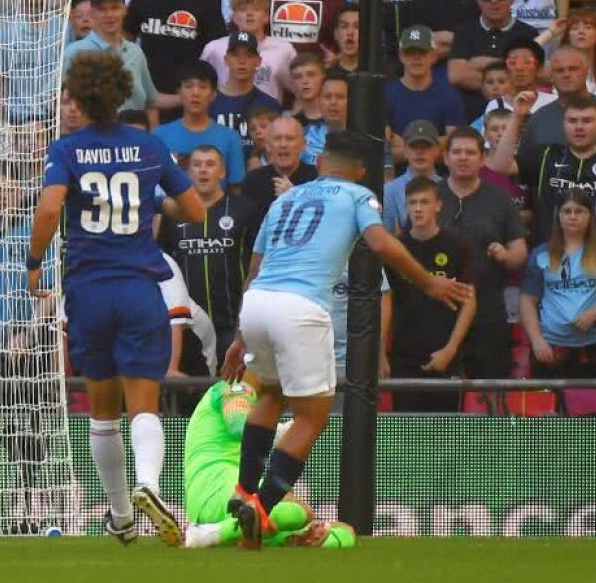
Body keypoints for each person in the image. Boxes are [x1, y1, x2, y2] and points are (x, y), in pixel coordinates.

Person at [224, 129, 472, 548]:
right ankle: (262, 505)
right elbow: (381, 243)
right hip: (300, 308)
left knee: (270, 393)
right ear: (360, 171)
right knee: (311, 417)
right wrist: (429, 283)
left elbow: (254, 268)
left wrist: (238, 338)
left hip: (258, 304)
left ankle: (244, 490)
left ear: (319, 164)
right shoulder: (358, 195)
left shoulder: (284, 198)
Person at [26, 51, 204, 546]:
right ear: (121, 93)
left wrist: (35, 259)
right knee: (143, 401)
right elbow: (192, 210)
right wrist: (154, 199)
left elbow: (48, 209)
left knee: (102, 411)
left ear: (79, 99)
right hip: (137, 285)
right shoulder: (149, 146)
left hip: (88, 290)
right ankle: (150, 482)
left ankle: (123, 515)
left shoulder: (67, 149)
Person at [182, 378, 356, 549]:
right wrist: (295, 430)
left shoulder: (255, 398)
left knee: (345, 533)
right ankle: (209, 535)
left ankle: (283, 539)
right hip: (214, 489)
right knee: (299, 511)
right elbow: (238, 427)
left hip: (214, 504)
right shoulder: (232, 387)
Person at [493, 92, 596, 247]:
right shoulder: (545, 155)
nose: (579, 127)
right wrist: (517, 118)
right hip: (549, 256)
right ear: (563, 125)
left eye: (587, 121)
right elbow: (500, 166)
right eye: (572, 121)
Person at [438, 128, 528, 378]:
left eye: (470, 152)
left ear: (481, 158)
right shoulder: (430, 196)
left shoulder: (500, 199)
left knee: (492, 392)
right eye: (456, 152)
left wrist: (505, 256)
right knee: (439, 396)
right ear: (445, 157)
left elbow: (519, 252)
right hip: (438, 311)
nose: (463, 158)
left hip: (488, 311)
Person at [157, 145, 258, 367]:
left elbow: (258, 262)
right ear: (188, 172)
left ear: (222, 172)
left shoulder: (245, 209)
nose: (203, 170)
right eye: (197, 165)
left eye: (210, 165)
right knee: (188, 393)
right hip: (187, 326)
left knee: (232, 394)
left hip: (233, 323)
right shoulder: (172, 214)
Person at [387, 176, 476, 412]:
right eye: (412, 202)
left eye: (424, 202)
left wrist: (450, 349)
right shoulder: (396, 248)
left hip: (445, 353)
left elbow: (469, 301)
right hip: (404, 356)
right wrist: (380, 354)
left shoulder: (456, 245)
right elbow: (384, 302)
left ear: (438, 205)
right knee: (406, 436)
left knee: (443, 437)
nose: (417, 208)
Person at [523, 189, 596, 382]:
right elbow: (528, 300)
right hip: (552, 346)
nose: (572, 217)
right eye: (567, 211)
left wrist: (595, 315)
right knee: (554, 410)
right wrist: (537, 341)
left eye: (579, 211)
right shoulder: (540, 254)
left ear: (590, 216)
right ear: (558, 216)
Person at [125, 0, 226, 119]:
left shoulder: (207, 2)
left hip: (190, 99)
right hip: (146, 95)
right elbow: (125, 40)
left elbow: (217, 53)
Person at [63, 0, 157, 115]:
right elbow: (53, 96)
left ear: (124, 10)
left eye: (114, 8)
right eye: (102, 9)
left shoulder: (136, 52)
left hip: (132, 131)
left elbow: (150, 101)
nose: (109, 15)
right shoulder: (75, 52)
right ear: (93, 13)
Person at [152, 61, 247, 189]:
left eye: (202, 86)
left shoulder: (230, 138)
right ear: (179, 92)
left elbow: (236, 190)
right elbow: (152, 184)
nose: (195, 93)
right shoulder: (159, 136)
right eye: (189, 86)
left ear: (213, 94)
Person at [209, 31, 282, 163]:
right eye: (235, 55)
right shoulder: (209, 103)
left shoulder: (270, 105)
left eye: (248, 55)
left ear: (258, 61)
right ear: (226, 60)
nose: (241, 61)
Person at [384, 25, 465, 143]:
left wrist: (405, 145)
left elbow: (455, 146)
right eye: (410, 52)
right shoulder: (386, 94)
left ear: (433, 56)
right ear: (401, 56)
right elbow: (385, 148)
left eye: (422, 52)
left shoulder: (450, 96)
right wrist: (439, 142)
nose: (417, 58)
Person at [243, 115, 317, 219]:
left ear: (303, 145)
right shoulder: (253, 181)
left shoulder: (316, 179)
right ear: (268, 145)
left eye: (289, 138)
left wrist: (294, 197)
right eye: (277, 139)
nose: (283, 144)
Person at [383, 120, 442, 234]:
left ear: (437, 150)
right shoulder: (389, 191)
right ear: (405, 150)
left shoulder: (447, 188)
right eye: (414, 146)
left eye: (426, 146)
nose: (419, 152)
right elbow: (388, 235)